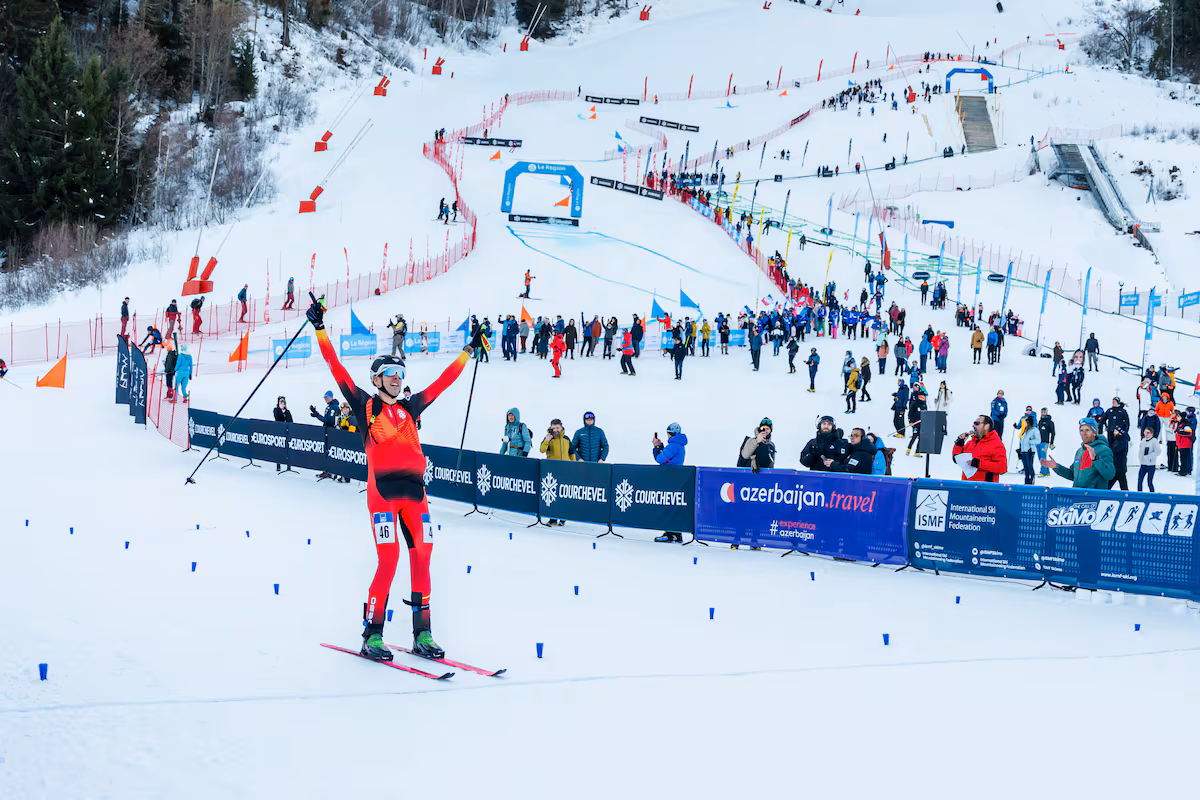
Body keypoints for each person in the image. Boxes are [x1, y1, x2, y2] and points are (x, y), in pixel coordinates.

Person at [308, 292, 482, 661]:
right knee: (388, 560)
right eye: (390, 374)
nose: (397, 379)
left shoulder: (410, 407)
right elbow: (335, 366)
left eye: (401, 374)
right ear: (377, 378)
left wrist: (468, 349)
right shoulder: (364, 405)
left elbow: (443, 382)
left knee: (423, 556)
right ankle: (372, 633)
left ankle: (424, 633)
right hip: (383, 494)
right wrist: (321, 328)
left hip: (416, 495)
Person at [1040, 417, 1115, 488]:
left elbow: (1110, 475)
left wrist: (1096, 459)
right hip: (1077, 496)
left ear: (1094, 433)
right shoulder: (1080, 451)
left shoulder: (1104, 450)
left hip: (1094, 497)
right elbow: (1072, 475)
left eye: (1087, 430)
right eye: (1081, 430)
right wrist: (1056, 467)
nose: (1084, 433)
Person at [652, 423, 688, 543]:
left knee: (668, 505)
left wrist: (656, 447)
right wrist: (662, 446)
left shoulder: (673, 446)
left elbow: (660, 459)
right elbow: (669, 458)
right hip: (677, 478)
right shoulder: (679, 445)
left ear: (670, 433)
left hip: (670, 479)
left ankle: (669, 534)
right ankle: (676, 534)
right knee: (674, 506)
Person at [951, 415, 1008, 482]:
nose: (973, 426)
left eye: (977, 423)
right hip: (967, 486)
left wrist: (979, 464)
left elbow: (1002, 468)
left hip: (985, 488)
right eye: (973, 424)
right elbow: (956, 459)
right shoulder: (971, 443)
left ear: (986, 426)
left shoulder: (996, 444)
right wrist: (959, 444)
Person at [1014, 411, 1041, 485]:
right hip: (1024, 450)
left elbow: (1038, 440)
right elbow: (1023, 440)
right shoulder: (1026, 431)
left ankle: (1031, 480)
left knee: (1030, 466)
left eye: (1026, 422)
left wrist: (1030, 442)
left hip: (1030, 450)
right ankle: (1026, 481)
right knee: (1026, 467)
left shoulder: (1034, 430)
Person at [273, 396, 294, 472]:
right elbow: (278, 417)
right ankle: (278, 466)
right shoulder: (276, 410)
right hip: (279, 432)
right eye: (280, 402)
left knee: (287, 449)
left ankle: (289, 466)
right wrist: (281, 409)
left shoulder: (287, 411)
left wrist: (285, 411)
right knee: (278, 449)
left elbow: (290, 421)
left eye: (283, 402)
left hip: (286, 432)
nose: (282, 403)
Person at [1137, 427, 1161, 492]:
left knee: (1149, 482)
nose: (1146, 434)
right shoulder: (1143, 440)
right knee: (1139, 480)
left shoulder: (1154, 441)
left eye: (1148, 433)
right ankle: (1139, 494)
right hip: (1143, 464)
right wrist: (1140, 458)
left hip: (1151, 465)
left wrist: (1150, 456)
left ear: (1151, 434)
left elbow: (1158, 451)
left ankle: (1152, 494)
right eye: (1145, 432)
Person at [906, 386, 927, 455]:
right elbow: (910, 413)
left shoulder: (924, 405)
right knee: (915, 435)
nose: (923, 397)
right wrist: (910, 421)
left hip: (922, 423)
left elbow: (926, 413)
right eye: (922, 396)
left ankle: (917, 451)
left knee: (921, 437)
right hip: (915, 422)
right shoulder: (914, 404)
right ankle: (908, 449)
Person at [1037, 408, 1055, 477]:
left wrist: (1052, 443)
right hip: (1038, 441)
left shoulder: (1050, 422)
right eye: (1042, 412)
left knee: (1043, 457)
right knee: (1039, 457)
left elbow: (1053, 433)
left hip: (1045, 442)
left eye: (1044, 412)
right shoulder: (1040, 421)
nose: (1043, 413)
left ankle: (1043, 472)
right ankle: (1047, 471)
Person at [163, 334, 180, 400]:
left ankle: (170, 395)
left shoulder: (170, 355)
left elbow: (169, 364)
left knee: (169, 383)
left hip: (169, 371)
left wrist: (166, 371)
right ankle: (170, 394)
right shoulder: (173, 355)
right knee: (170, 383)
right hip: (172, 371)